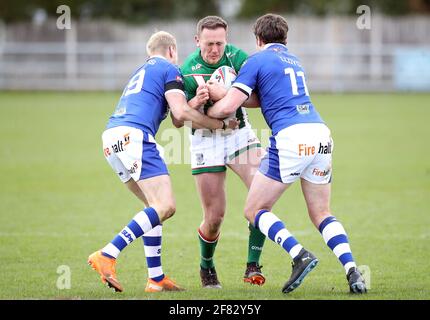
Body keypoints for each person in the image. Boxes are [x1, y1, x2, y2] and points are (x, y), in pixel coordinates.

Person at [207, 13, 367, 294]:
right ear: (285, 38)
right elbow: (263, 97)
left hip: (291, 138)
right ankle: (353, 271)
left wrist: (212, 99)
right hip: (320, 135)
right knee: (321, 213)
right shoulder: (294, 60)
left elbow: (228, 107)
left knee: (254, 210)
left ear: (258, 39)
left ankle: (299, 255)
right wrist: (229, 92)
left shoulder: (255, 60)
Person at [88, 31, 236, 293]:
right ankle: (108, 254)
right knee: (166, 205)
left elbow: (177, 117)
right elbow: (180, 113)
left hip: (111, 139)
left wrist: (195, 103)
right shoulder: (170, 68)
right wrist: (220, 124)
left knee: (152, 206)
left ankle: (156, 278)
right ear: (171, 51)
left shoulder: (143, 69)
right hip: (135, 136)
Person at [179, 16, 267, 288]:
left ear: (226, 40)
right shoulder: (188, 70)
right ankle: (207, 267)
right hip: (205, 140)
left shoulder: (238, 58)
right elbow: (182, 118)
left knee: (262, 196)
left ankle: (252, 265)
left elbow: (256, 98)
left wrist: (225, 93)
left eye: (219, 43)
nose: (214, 49)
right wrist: (198, 101)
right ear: (197, 41)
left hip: (238, 134)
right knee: (215, 217)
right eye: (209, 44)